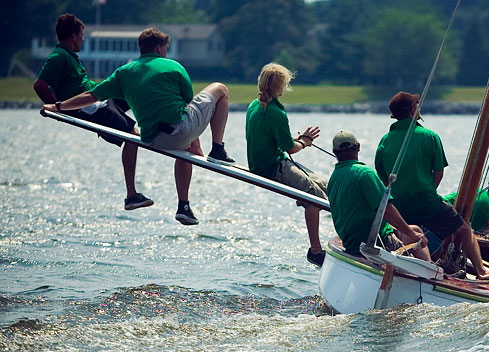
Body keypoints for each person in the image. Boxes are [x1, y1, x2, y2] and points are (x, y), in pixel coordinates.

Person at [41, 27, 235, 226]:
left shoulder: (124, 72)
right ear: (160, 48)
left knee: (185, 145)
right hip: (179, 130)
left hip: (152, 138)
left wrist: (58, 106)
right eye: (166, 48)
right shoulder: (174, 66)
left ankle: (184, 208)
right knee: (220, 89)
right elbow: (187, 104)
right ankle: (217, 149)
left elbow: (90, 96)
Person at [34, 14, 153, 211]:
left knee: (134, 92)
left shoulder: (69, 55)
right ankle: (131, 195)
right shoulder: (59, 56)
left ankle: (163, 129)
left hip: (99, 98)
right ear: (73, 36)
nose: (82, 39)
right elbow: (39, 85)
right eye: (81, 35)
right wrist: (58, 108)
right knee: (132, 137)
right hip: (93, 108)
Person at [374, 91, 489, 279]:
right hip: (426, 201)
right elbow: (439, 173)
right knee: (463, 229)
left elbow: (384, 179)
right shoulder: (429, 136)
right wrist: (426, 193)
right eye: (417, 104)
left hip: (399, 205)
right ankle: (481, 271)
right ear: (414, 109)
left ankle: (406, 269)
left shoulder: (384, 141)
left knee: (407, 232)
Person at [245, 63, 328, 266]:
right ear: (279, 87)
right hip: (272, 167)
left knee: (326, 185)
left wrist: (298, 140)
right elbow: (290, 148)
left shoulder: (254, 105)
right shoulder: (275, 112)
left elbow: (275, 138)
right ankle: (315, 251)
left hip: (264, 162)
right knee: (314, 196)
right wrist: (304, 142)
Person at [327, 130, 431, 261]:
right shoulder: (364, 173)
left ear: (334, 152)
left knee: (413, 228)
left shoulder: (333, 178)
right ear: (358, 147)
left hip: (350, 242)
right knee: (416, 233)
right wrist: (412, 235)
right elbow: (386, 209)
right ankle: (430, 274)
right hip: (372, 242)